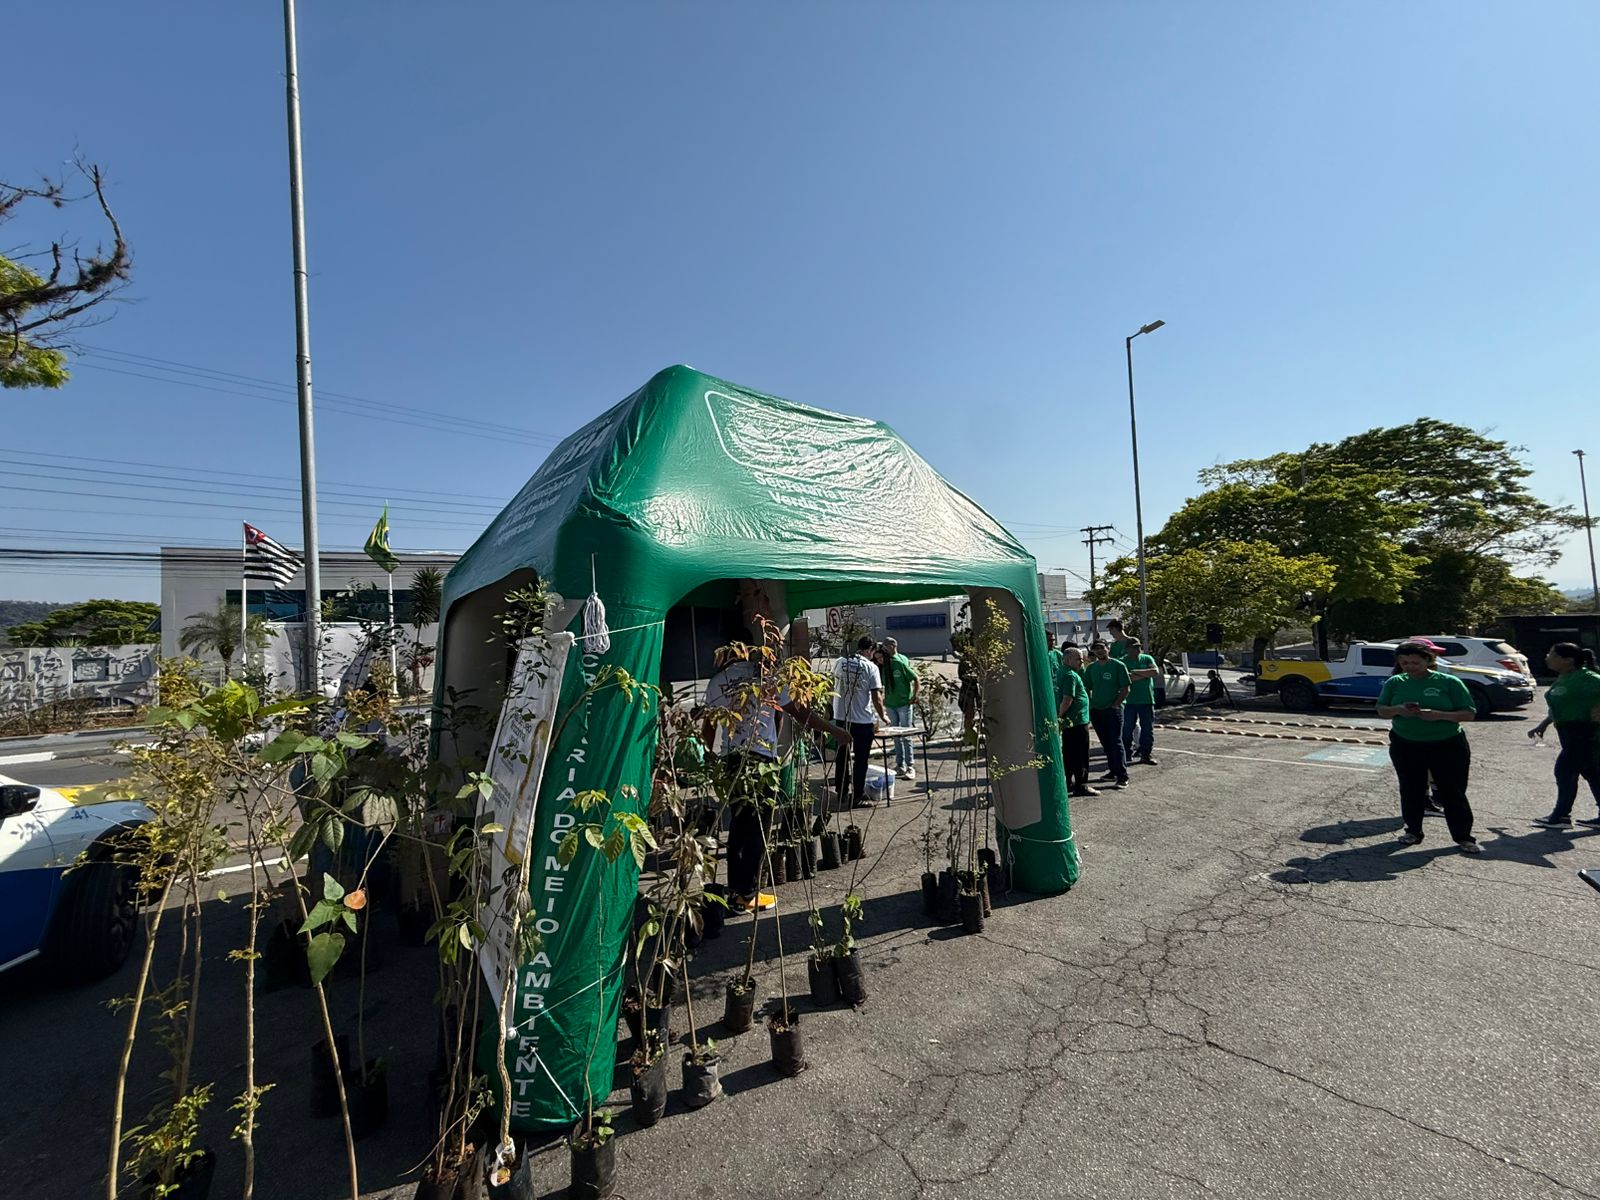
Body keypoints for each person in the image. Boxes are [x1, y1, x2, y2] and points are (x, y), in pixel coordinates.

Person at [703, 633, 848, 911]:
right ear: (752, 650)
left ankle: (736, 890)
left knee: (739, 826)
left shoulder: (718, 682)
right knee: (759, 828)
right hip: (761, 761)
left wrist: (710, 760)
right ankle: (746, 894)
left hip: (734, 759)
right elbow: (799, 713)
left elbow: (710, 726)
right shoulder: (767, 679)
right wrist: (835, 731)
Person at [1375, 640, 1480, 853]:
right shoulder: (1395, 682)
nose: (1409, 667)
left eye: (1415, 662)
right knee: (1411, 788)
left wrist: (1439, 715)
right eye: (1404, 663)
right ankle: (1413, 831)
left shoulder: (1449, 682)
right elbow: (1382, 709)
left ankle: (1464, 837)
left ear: (1428, 660)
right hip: (1406, 743)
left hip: (1447, 743)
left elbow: (1469, 713)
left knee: (1453, 791)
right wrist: (1398, 709)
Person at [1529, 642, 1600, 828]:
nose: (1547, 657)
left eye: (1552, 655)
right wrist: (1543, 724)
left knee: (1564, 771)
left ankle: (1560, 817)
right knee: (1591, 773)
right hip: (1567, 733)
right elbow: (1560, 706)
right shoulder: (1564, 677)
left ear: (1568, 660)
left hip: (1584, 732)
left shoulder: (1589, 678)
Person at [832, 636, 888, 806]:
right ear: (869, 650)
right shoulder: (871, 667)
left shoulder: (840, 662)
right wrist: (883, 716)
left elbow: (832, 683)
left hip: (841, 716)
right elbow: (876, 697)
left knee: (842, 756)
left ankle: (841, 792)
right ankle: (857, 794)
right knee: (861, 759)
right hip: (862, 720)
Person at [1085, 641, 1131, 789]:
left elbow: (1126, 688)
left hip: (1113, 710)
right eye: (1096, 649)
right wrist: (1091, 703)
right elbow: (1087, 687)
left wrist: (1115, 704)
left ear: (1108, 649)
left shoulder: (1118, 666)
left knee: (1116, 742)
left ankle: (1122, 776)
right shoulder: (1092, 668)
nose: (1099, 651)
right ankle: (1113, 771)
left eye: (1101, 648)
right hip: (1097, 710)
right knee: (1106, 743)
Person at [1057, 646, 1097, 797]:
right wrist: (1060, 716)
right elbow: (1067, 698)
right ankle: (1081, 784)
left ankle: (1068, 782)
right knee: (1080, 754)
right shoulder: (1070, 675)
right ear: (1068, 660)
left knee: (1069, 753)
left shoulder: (1062, 672)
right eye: (1078, 659)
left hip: (1070, 721)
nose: (1082, 662)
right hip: (1077, 720)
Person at [879, 636, 920, 780]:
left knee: (906, 735)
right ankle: (899, 764)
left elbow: (915, 678)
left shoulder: (900, 660)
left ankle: (910, 766)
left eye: (885, 646)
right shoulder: (884, 664)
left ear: (892, 646)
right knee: (895, 735)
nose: (883, 650)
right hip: (891, 704)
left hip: (903, 703)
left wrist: (914, 696)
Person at [1119, 636, 1161, 766]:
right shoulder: (1122, 662)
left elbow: (1154, 672)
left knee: (1147, 729)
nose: (1136, 650)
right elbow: (1127, 678)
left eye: (1138, 647)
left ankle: (1146, 754)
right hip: (1129, 701)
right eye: (1133, 648)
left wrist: (1136, 672)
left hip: (1147, 700)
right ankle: (1127, 753)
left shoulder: (1147, 658)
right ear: (1127, 649)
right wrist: (1144, 675)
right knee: (1127, 729)